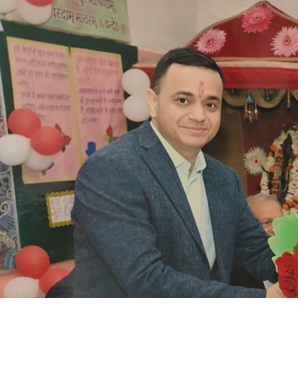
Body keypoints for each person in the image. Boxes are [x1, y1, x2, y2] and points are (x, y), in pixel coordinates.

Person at [68, 48, 281, 297]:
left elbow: (257, 251)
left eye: (210, 104)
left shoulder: (224, 179)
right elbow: (145, 280)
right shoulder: (112, 170)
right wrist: (264, 299)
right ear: (153, 102)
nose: (199, 116)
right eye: (183, 101)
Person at [230, 193, 283, 288]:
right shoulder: (236, 274)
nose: (275, 229)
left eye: (280, 221)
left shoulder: (291, 260)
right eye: (267, 222)